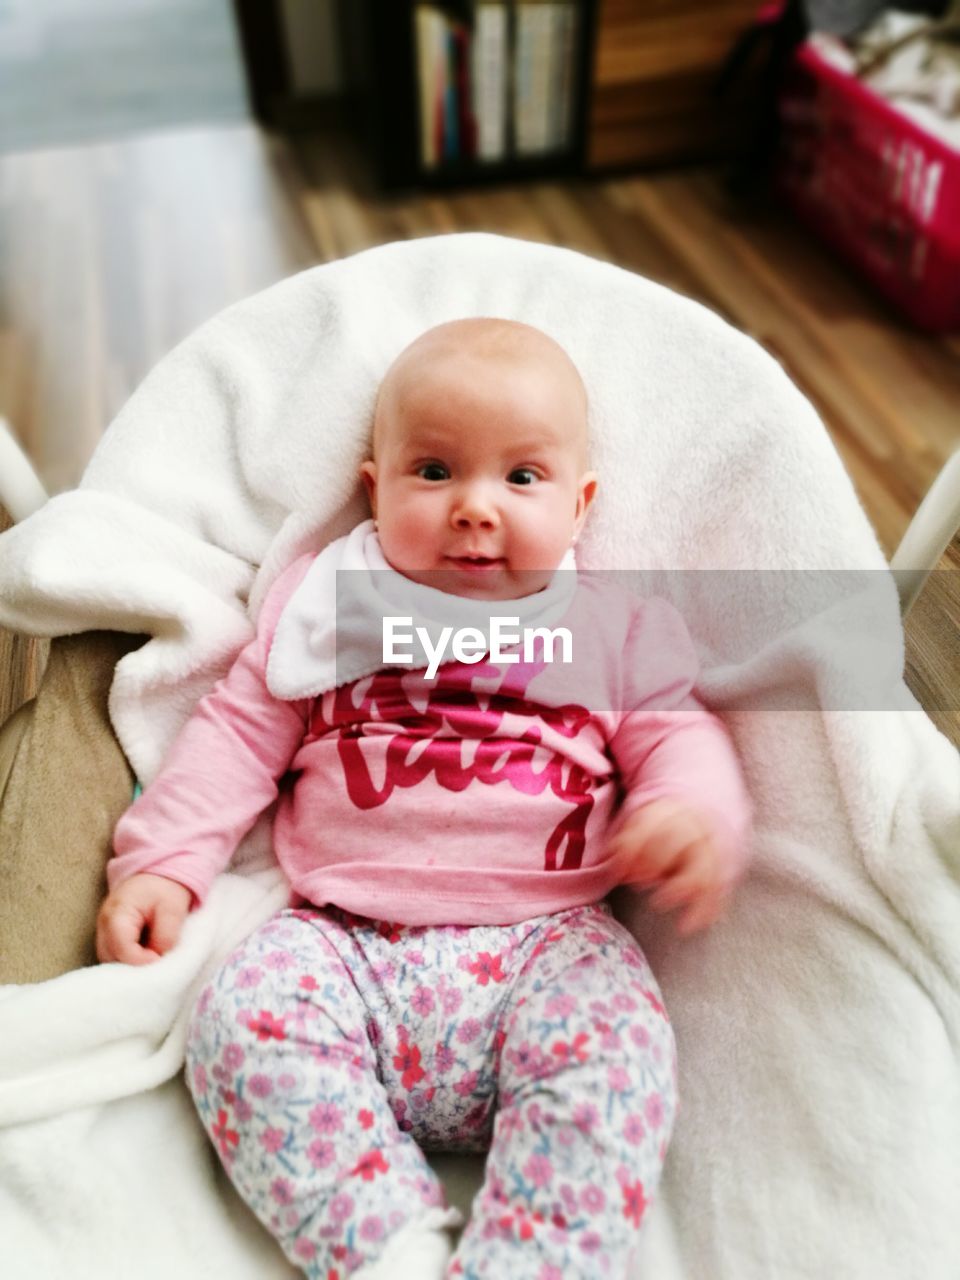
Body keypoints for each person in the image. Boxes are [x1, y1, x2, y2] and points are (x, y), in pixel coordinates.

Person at [96, 318, 752, 1280]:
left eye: (521, 478)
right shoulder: (328, 604)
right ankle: (385, 1247)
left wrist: (691, 815)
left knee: (621, 1057)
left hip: (550, 947)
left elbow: (679, 735)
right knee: (237, 1021)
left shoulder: (612, 629)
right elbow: (238, 734)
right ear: (375, 485)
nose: (475, 509)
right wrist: (164, 860)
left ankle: (535, 1261)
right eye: (435, 472)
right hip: (345, 942)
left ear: (581, 505)